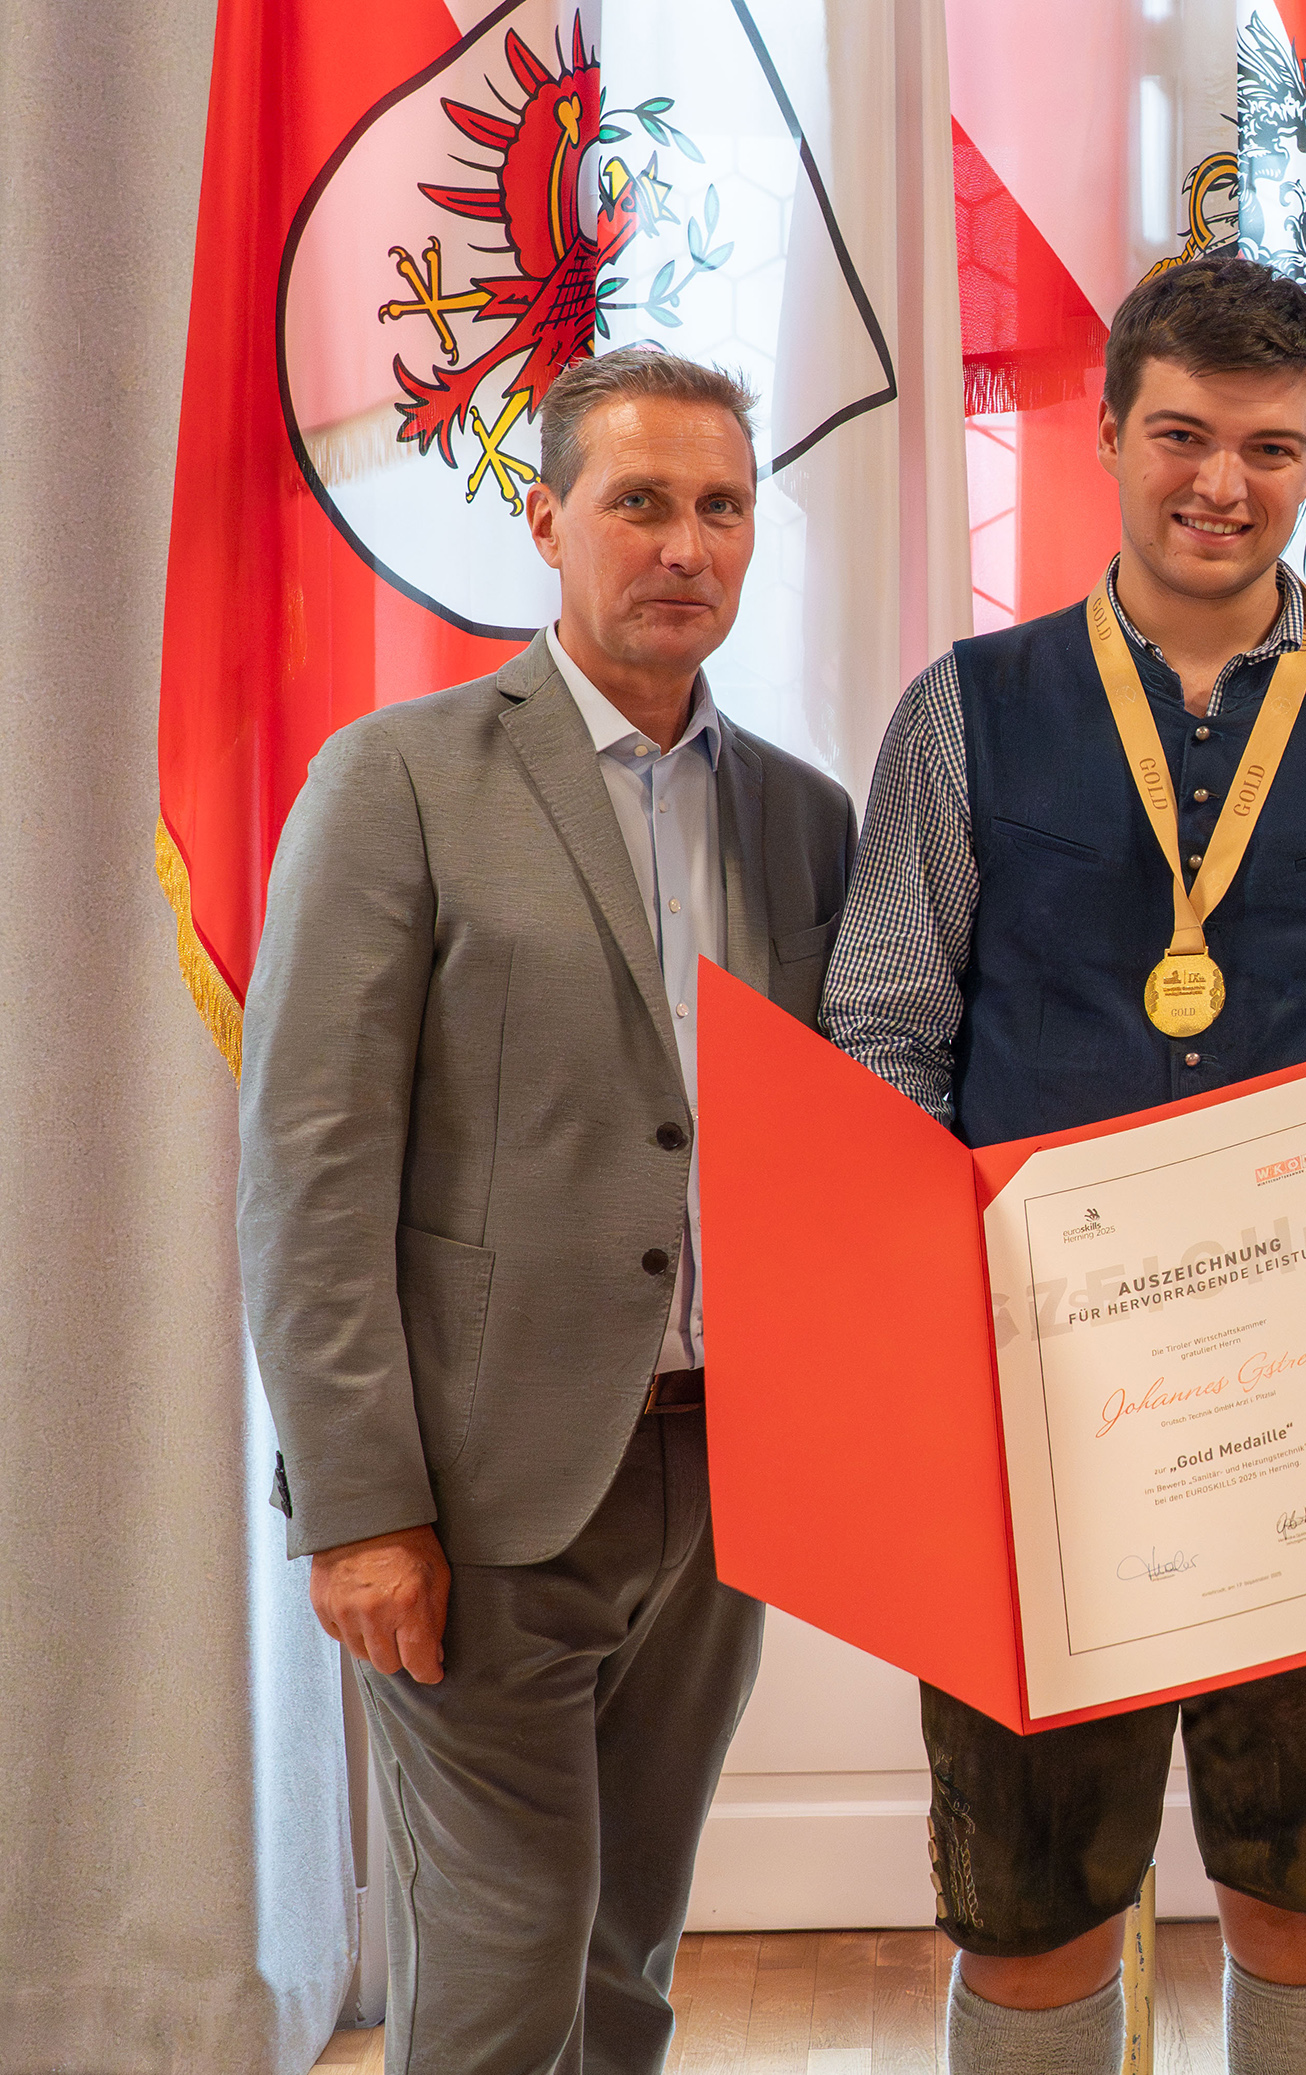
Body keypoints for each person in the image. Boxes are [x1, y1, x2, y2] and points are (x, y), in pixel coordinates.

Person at [821, 253, 1306, 2075]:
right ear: (1109, 433)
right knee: (1035, 1901)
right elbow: (883, 1032)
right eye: (1183, 436)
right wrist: (964, 1232)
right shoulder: (965, 708)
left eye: (1271, 447)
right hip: (1036, 1417)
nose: (1223, 482)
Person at [237, 347, 857, 2072]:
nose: (683, 543)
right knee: (501, 1980)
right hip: (478, 1496)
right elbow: (311, 1170)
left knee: (621, 1960)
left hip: (719, 1481)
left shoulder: (807, 822)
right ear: (547, 518)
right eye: (638, 501)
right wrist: (359, 1510)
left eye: (720, 507)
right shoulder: (400, 782)